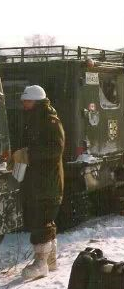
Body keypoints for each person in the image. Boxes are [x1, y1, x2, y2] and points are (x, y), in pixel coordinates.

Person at [18, 85, 65, 280]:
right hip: (40, 179)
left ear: (36, 101)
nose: (23, 104)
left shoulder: (50, 121)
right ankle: (50, 260)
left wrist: (29, 155)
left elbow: (56, 149)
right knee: (44, 217)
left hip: (48, 181)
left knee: (41, 218)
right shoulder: (36, 119)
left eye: (26, 101)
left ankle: (41, 263)